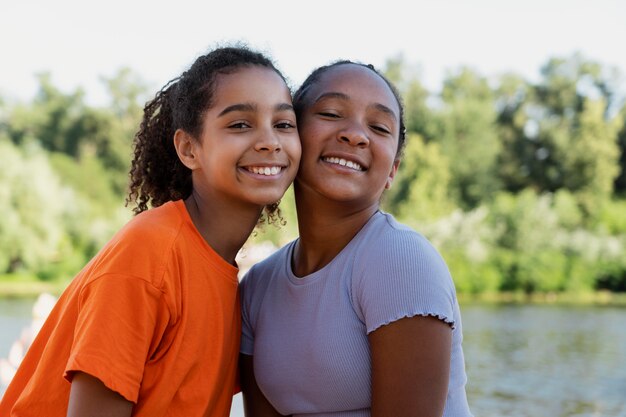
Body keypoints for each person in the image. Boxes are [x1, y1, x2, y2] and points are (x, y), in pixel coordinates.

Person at [0, 45, 301, 417]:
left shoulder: (231, 279)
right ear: (189, 149)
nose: (270, 140)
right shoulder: (150, 254)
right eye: (240, 124)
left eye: (284, 124)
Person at [239, 61, 473, 417]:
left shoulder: (399, 259)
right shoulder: (259, 284)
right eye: (332, 113)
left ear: (392, 170)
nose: (355, 134)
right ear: (291, 135)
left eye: (379, 127)